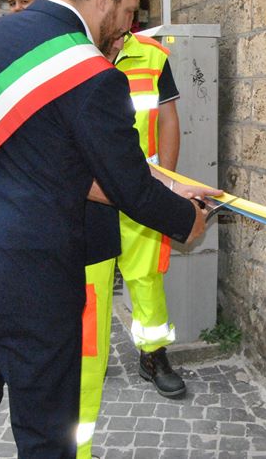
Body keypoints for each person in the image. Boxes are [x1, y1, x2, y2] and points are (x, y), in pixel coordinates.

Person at [0, 0, 220, 459]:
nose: (127, 25)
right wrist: (184, 219)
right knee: (47, 432)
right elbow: (124, 182)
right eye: (128, 9)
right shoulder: (92, 73)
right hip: (31, 280)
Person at [76, 29, 184, 458]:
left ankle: (153, 355)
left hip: (142, 191)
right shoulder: (74, 48)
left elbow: (169, 119)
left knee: (146, 276)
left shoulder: (154, 56)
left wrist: (167, 185)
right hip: (92, 195)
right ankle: (91, 366)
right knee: (91, 289)